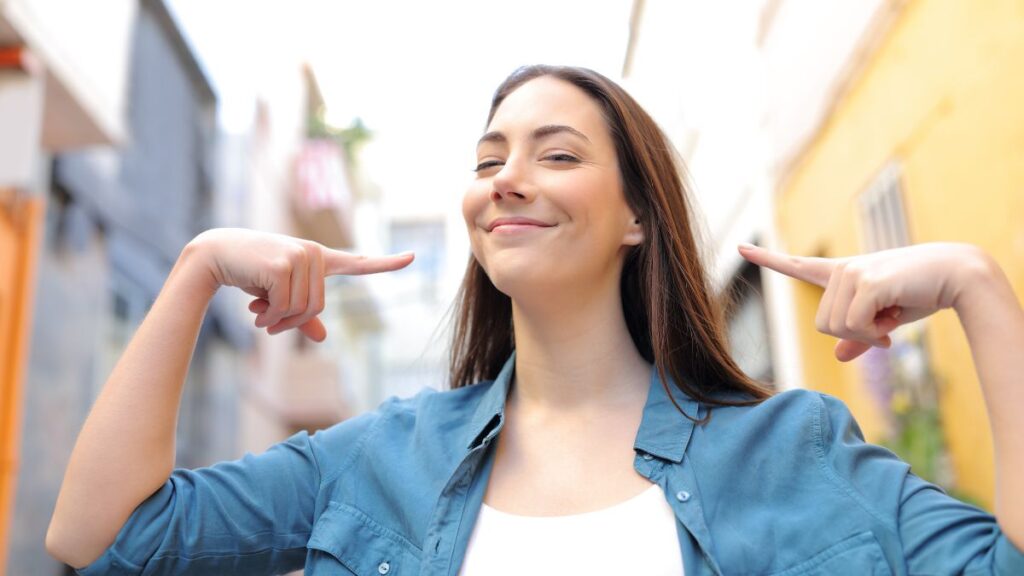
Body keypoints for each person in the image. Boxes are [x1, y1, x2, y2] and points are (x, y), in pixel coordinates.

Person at [45, 65, 1023, 575]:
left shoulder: (791, 450)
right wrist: (195, 267)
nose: (506, 178)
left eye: (555, 155)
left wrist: (979, 289)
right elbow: (103, 538)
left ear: (637, 217)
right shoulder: (378, 458)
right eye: (486, 160)